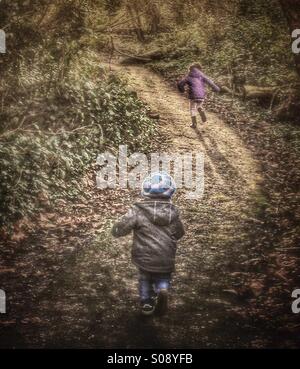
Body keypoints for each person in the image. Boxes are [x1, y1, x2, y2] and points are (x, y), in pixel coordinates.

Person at [111, 172, 185, 316]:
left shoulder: (138, 210)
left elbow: (123, 226)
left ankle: (147, 303)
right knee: (163, 277)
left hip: (144, 257)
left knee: (145, 279)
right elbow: (180, 233)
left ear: (145, 190)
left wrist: (116, 230)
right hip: (165, 258)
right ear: (171, 192)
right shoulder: (173, 213)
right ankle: (162, 289)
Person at [177, 63, 220, 128]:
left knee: (192, 108)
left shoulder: (189, 76)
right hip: (201, 95)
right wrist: (216, 89)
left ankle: (194, 124)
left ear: (190, 69)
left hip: (193, 96)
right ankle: (202, 114)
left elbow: (180, 84)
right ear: (199, 69)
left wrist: (182, 90)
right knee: (199, 106)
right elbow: (210, 82)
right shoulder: (202, 76)